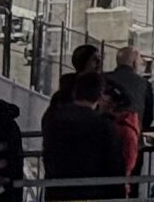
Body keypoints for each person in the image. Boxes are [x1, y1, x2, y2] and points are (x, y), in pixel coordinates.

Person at [41, 70, 126, 201]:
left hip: (57, 190)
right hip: (92, 192)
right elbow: (114, 164)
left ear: (76, 92)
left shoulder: (53, 118)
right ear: (99, 96)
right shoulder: (104, 125)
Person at [104, 45, 153, 140]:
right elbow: (148, 116)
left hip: (106, 134)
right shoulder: (144, 84)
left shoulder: (103, 79)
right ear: (134, 63)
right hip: (133, 134)